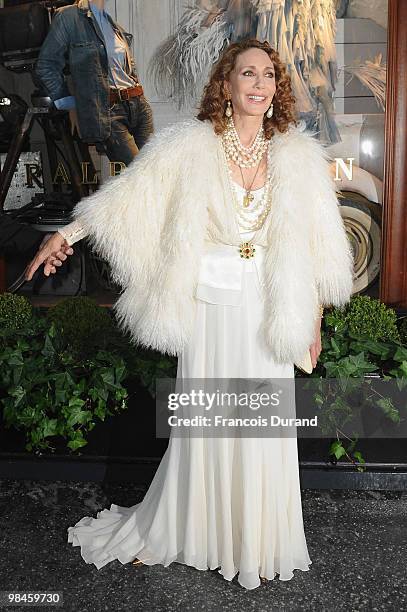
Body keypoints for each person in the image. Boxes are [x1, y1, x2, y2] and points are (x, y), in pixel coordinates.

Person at [26, 39, 354, 590]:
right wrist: (65, 234)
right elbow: (128, 196)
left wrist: (312, 319)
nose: (259, 84)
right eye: (247, 73)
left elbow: (315, 247)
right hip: (212, 307)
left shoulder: (297, 156)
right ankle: (189, 531)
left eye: (269, 75)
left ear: (277, 90)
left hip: (271, 308)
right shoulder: (191, 146)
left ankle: (256, 540)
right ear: (226, 84)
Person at [34, 0, 154, 166]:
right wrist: (69, 103)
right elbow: (46, 65)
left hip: (138, 105)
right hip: (109, 110)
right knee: (135, 177)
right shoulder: (68, 17)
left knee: (154, 173)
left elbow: (125, 70)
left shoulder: (113, 22)